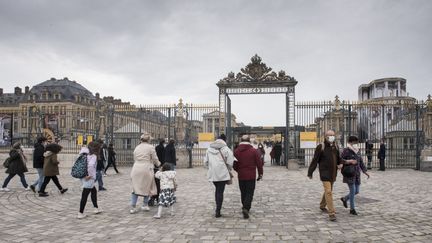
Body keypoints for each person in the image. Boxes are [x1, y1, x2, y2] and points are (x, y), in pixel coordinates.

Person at [307, 130, 348, 221]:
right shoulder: (321, 147)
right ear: (325, 136)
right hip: (324, 173)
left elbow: (338, 158)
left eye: (333, 135)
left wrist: (341, 163)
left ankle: (322, 205)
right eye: (329, 135)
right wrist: (310, 172)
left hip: (333, 173)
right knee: (329, 191)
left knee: (328, 191)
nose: (331, 137)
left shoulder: (335, 146)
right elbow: (315, 160)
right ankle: (332, 213)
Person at [204, 134, 235, 218]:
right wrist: (228, 169)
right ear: (224, 140)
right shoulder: (226, 149)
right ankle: (218, 210)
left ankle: (218, 208)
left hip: (213, 174)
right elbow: (230, 162)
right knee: (220, 191)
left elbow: (205, 162)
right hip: (222, 174)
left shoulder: (209, 149)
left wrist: (210, 168)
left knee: (217, 190)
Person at [234, 134, 263, 219]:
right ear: (249, 141)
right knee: (250, 192)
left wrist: (238, 170)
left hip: (241, 175)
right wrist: (260, 173)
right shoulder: (254, 151)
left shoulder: (236, 151)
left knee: (243, 192)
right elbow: (259, 164)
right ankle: (246, 207)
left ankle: (244, 206)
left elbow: (234, 164)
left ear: (241, 141)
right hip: (251, 175)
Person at [130, 133, 161, 214]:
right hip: (146, 168)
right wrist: (159, 164)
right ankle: (144, 204)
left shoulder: (137, 147)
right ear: (148, 140)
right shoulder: (151, 147)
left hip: (136, 168)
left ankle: (133, 207)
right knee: (147, 186)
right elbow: (155, 158)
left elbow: (134, 157)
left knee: (135, 188)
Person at [340, 136, 370, 215]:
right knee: (352, 191)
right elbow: (341, 160)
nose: (357, 144)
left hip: (357, 173)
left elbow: (361, 161)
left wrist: (364, 171)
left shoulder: (357, 150)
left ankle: (345, 198)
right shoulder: (346, 150)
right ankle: (352, 209)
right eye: (355, 142)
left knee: (356, 191)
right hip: (349, 173)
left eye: (357, 142)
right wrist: (349, 161)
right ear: (351, 142)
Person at [77, 142, 103, 219]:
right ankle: (80, 213)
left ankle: (96, 208)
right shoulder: (93, 156)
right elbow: (91, 165)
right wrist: (90, 175)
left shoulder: (84, 153)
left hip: (82, 175)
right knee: (85, 195)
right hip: (88, 177)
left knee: (93, 191)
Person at [149, 139, 165, 206]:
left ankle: (153, 197)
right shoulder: (162, 148)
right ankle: (158, 197)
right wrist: (161, 163)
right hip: (159, 163)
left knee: (154, 182)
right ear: (163, 142)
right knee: (158, 181)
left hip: (153, 165)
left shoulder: (156, 147)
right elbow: (162, 156)